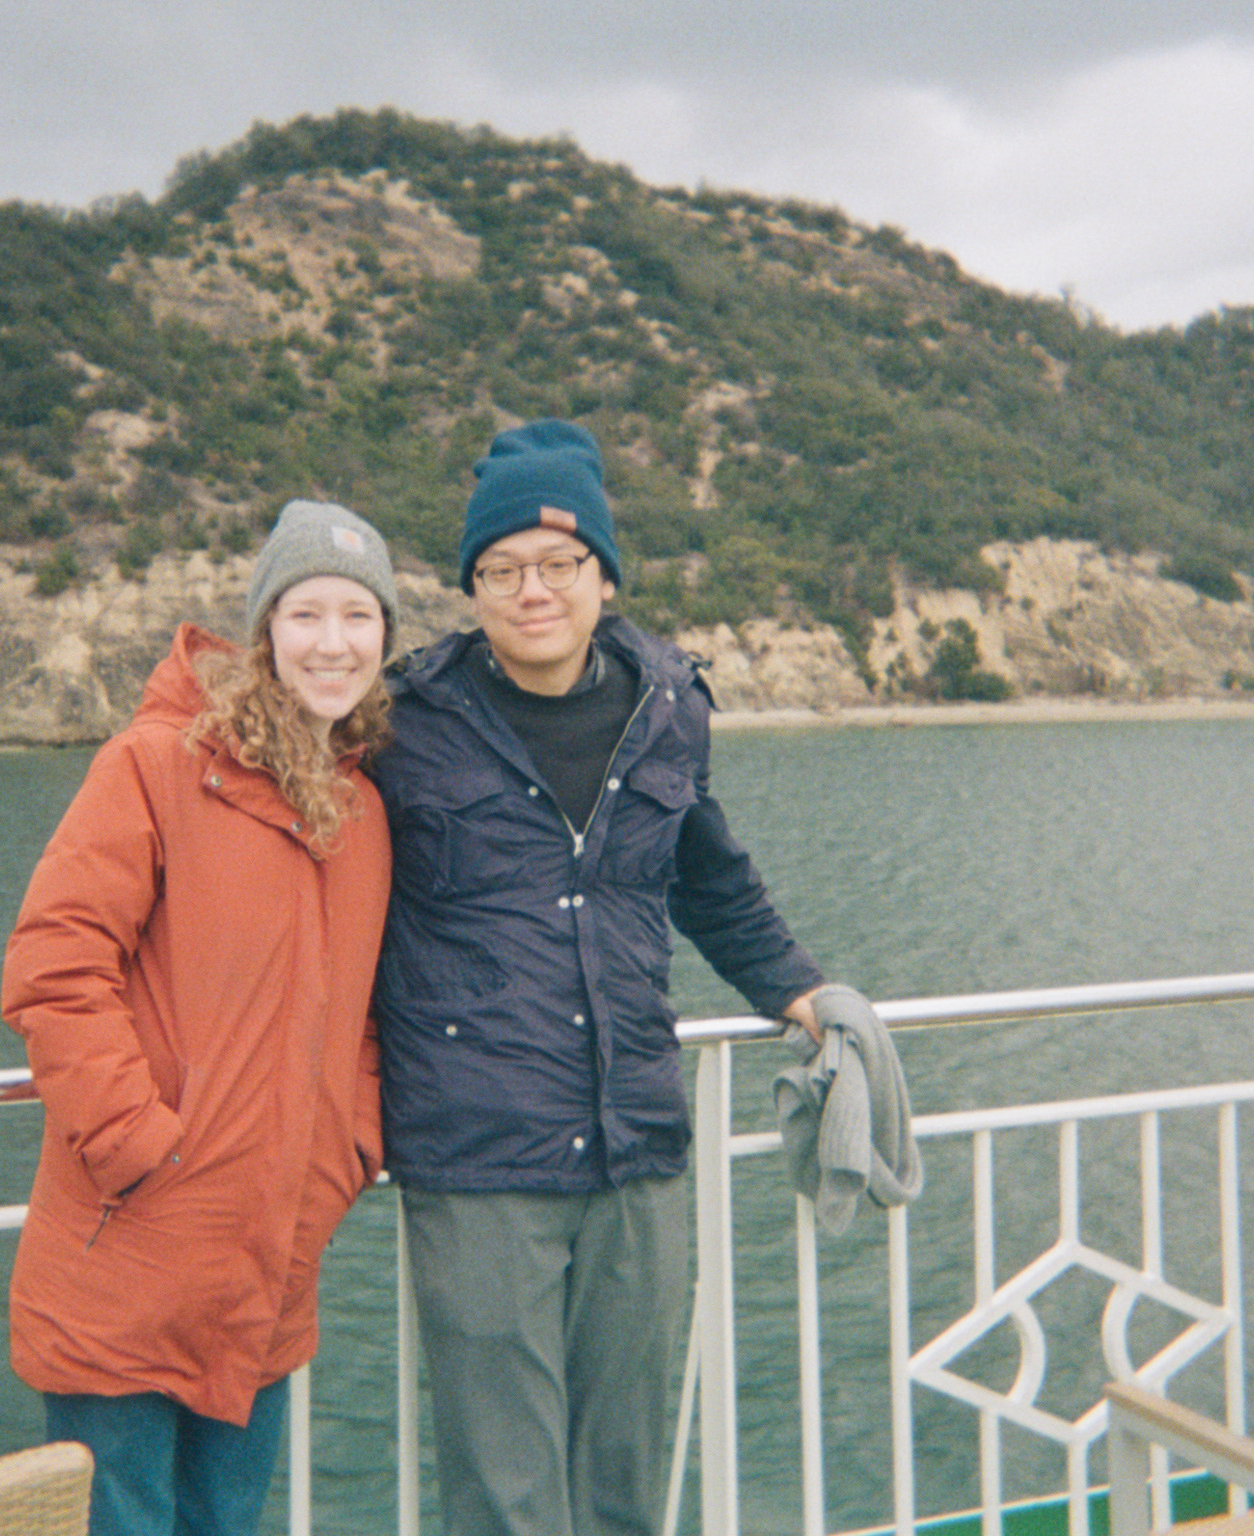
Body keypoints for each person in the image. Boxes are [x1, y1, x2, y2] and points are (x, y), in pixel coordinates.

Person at [372, 419, 878, 1536]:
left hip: (633, 1142)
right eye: (499, 570)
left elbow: (710, 881)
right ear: (472, 590)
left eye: (557, 564)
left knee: (622, 1480)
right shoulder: (402, 725)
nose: (530, 590)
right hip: (477, 1156)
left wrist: (804, 996)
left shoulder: (667, 709)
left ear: (603, 577)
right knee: (505, 1494)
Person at [1, 499, 399, 1536]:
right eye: (306, 613)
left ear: (384, 640)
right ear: (265, 628)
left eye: (358, 618)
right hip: (127, 1254)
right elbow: (55, 964)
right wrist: (138, 1145)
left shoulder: (359, 815)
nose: (331, 643)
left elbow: (359, 1023)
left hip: (265, 1272)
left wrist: (345, 1151)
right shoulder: (156, 764)